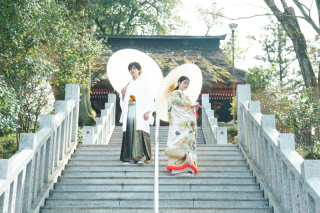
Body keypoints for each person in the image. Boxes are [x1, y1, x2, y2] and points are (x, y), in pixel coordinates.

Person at [119, 62, 154, 165]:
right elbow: (124, 103)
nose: (132, 70)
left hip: (141, 111)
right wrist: (124, 95)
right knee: (130, 132)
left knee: (139, 133)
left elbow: (149, 99)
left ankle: (141, 157)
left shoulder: (144, 84)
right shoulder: (128, 85)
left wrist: (148, 112)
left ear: (139, 70)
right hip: (130, 110)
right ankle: (130, 157)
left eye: (134, 68)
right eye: (130, 69)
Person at [165, 76, 200, 176]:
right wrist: (191, 105)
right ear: (179, 83)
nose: (186, 85)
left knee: (189, 144)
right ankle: (177, 168)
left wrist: (194, 108)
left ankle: (188, 166)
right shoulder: (175, 93)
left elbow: (189, 107)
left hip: (189, 124)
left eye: (188, 84)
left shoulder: (188, 95)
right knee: (180, 143)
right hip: (180, 124)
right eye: (184, 83)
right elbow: (178, 103)